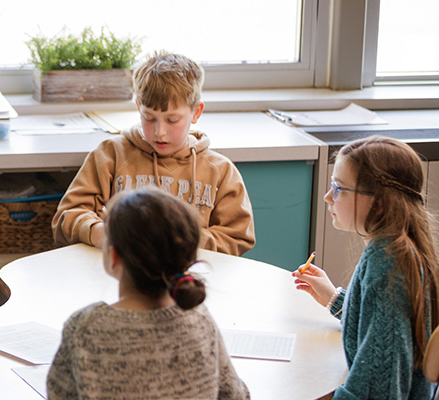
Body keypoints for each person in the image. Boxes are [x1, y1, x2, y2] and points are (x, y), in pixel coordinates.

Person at [47, 186, 250, 399]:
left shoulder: (85, 327)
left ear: (114, 257)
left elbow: (58, 393)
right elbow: (234, 395)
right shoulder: (200, 318)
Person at [51, 50, 255, 256]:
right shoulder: (110, 155)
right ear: (139, 107)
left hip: (189, 281)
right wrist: (98, 232)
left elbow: (237, 237)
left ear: (196, 112)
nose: (160, 132)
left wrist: (177, 240)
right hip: (118, 278)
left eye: (172, 120)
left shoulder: (220, 171)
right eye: (149, 117)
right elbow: (65, 219)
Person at [293, 135, 439, 399]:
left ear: (379, 202)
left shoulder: (387, 267)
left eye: (338, 188)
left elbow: (378, 391)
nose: (328, 197)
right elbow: (386, 327)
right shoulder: (395, 249)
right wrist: (336, 300)